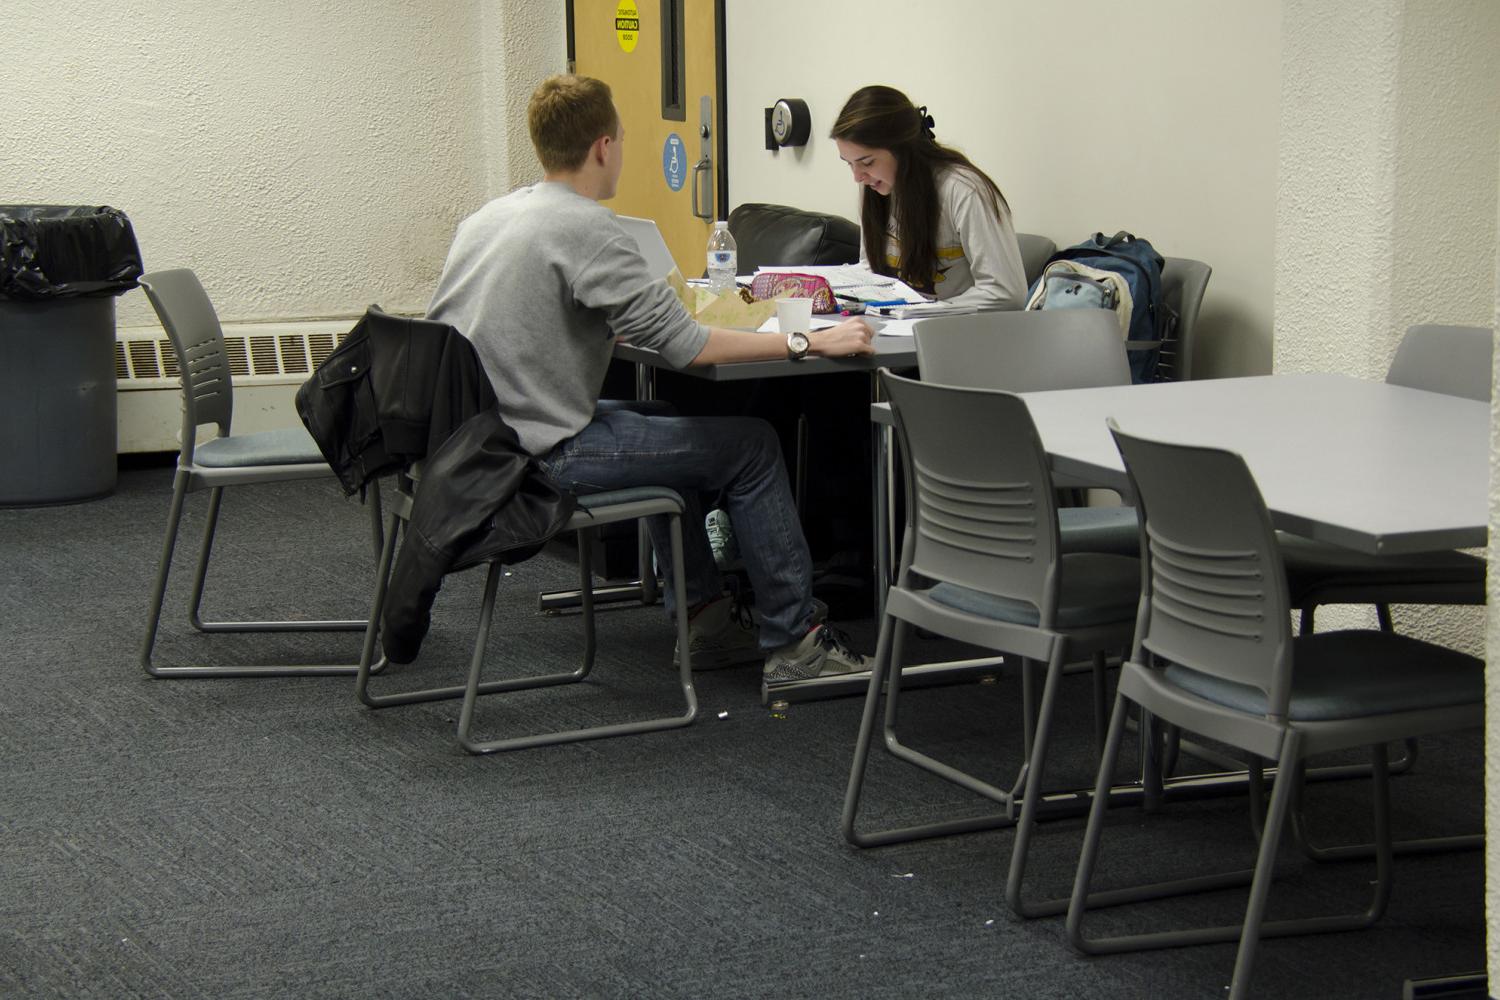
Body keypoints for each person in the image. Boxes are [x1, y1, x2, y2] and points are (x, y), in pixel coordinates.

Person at [426, 74, 875, 692]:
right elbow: (690, 347)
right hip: (535, 458)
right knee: (751, 445)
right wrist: (806, 339)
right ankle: (797, 644)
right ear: (605, 146)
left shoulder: (490, 216)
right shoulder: (588, 229)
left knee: (668, 420)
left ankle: (706, 615)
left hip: (471, 445)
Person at [831, 85, 1028, 311]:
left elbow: (1005, 292)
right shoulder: (877, 188)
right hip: (893, 329)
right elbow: (871, 270)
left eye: (867, 163)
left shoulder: (964, 190)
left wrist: (919, 313)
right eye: (849, 163)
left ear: (903, 149)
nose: (857, 177)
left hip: (954, 334)